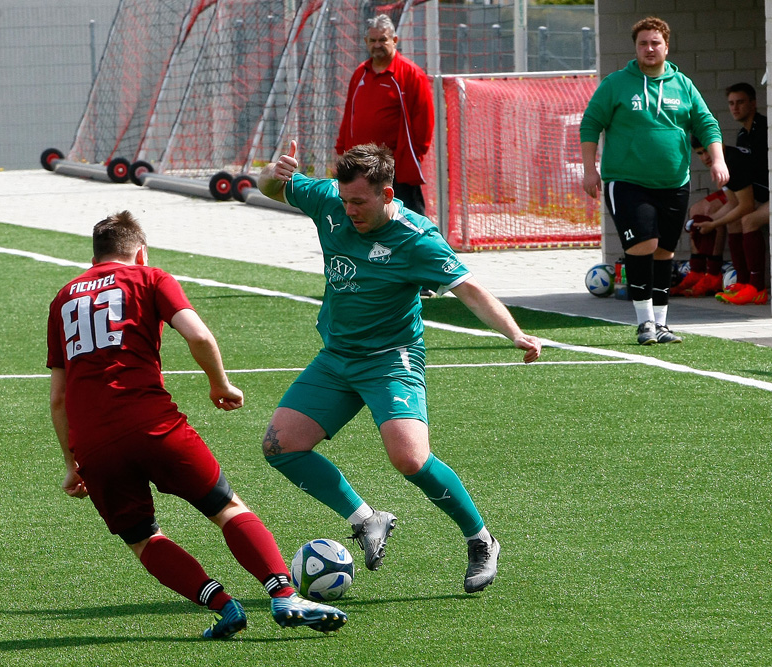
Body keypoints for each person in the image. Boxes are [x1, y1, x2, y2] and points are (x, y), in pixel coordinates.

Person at [256, 140, 542, 594]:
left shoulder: (416, 239)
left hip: (391, 359)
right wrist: (274, 172)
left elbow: (469, 289)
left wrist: (514, 333)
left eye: (359, 202)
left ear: (387, 195)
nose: (348, 209)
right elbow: (271, 188)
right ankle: (367, 519)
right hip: (336, 357)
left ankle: (481, 539)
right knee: (280, 446)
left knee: (409, 458)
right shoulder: (331, 199)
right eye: (345, 199)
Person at [46, 211, 347, 640]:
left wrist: (71, 463)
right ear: (140, 251)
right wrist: (219, 384)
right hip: (152, 423)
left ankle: (225, 608)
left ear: (94, 256)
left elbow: (58, 398)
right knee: (225, 508)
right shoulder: (150, 277)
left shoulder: (62, 299)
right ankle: (283, 594)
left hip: (93, 443)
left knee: (143, 538)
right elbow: (199, 336)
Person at [580, 16, 729, 345]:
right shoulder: (617, 83)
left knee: (664, 251)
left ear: (666, 46)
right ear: (635, 48)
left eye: (655, 43)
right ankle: (644, 322)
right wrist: (590, 169)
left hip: (674, 182)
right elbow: (590, 123)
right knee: (643, 244)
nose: (649, 48)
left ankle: (660, 324)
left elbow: (706, 123)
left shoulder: (683, 84)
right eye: (643, 43)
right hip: (628, 181)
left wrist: (717, 159)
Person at [335, 14, 434, 217]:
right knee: (365, 217)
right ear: (366, 42)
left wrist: (410, 157)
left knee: (408, 221)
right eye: (373, 40)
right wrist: (340, 150)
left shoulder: (411, 75)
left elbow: (424, 123)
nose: (377, 45)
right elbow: (349, 117)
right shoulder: (359, 74)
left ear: (395, 40)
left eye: (383, 39)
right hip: (361, 168)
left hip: (396, 168)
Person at [676, 138, 759, 299]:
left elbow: (746, 205)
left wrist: (714, 223)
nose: (705, 157)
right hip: (755, 195)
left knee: (743, 219)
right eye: (700, 153)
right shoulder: (721, 164)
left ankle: (752, 286)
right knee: (709, 215)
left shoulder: (732, 161)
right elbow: (734, 202)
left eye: (707, 150)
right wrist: (710, 221)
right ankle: (706, 273)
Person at [717, 82, 771, 305]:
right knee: (735, 222)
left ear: (753, 103)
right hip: (761, 195)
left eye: (740, 102)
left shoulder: (767, 129)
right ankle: (743, 282)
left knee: (748, 219)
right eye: (731, 103)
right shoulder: (742, 135)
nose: (735, 108)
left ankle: (758, 288)